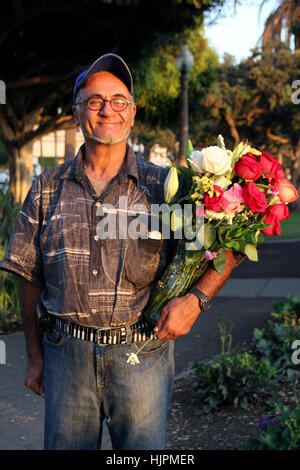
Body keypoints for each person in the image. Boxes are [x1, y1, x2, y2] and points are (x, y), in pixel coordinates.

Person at [0, 53, 244, 450]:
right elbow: (29, 277)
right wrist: (34, 357)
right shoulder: (46, 188)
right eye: (94, 101)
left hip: (142, 355)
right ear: (78, 113)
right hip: (66, 357)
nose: (106, 110)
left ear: (131, 114)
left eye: (118, 101)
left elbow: (227, 247)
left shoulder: (167, 186)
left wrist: (196, 301)